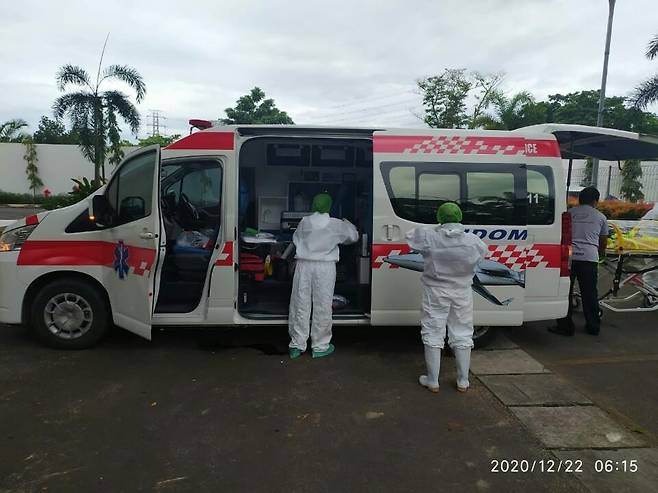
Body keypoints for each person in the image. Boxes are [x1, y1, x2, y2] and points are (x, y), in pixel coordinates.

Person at [406, 202, 488, 393]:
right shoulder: (473, 241)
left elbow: (410, 236)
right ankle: (463, 380)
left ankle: (433, 380)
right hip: (462, 292)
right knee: (462, 332)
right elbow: (482, 255)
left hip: (435, 291)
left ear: (440, 218)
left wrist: (438, 227)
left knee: (433, 331)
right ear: (460, 217)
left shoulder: (430, 237)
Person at [288, 193, 359, 359]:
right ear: (329, 205)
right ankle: (320, 346)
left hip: (304, 265)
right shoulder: (336, 225)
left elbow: (296, 238)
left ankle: (297, 345)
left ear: (313, 204)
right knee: (323, 304)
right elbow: (353, 237)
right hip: (325, 267)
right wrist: (347, 223)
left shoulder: (304, 221)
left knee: (300, 303)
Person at [551, 186, 608, 336]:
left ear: (579, 199)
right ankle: (593, 326)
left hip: (569, 257)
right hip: (589, 258)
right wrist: (600, 254)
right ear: (595, 201)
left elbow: (562, 235)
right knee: (589, 293)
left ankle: (565, 327)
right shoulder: (601, 217)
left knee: (565, 292)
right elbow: (603, 242)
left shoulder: (569, 214)